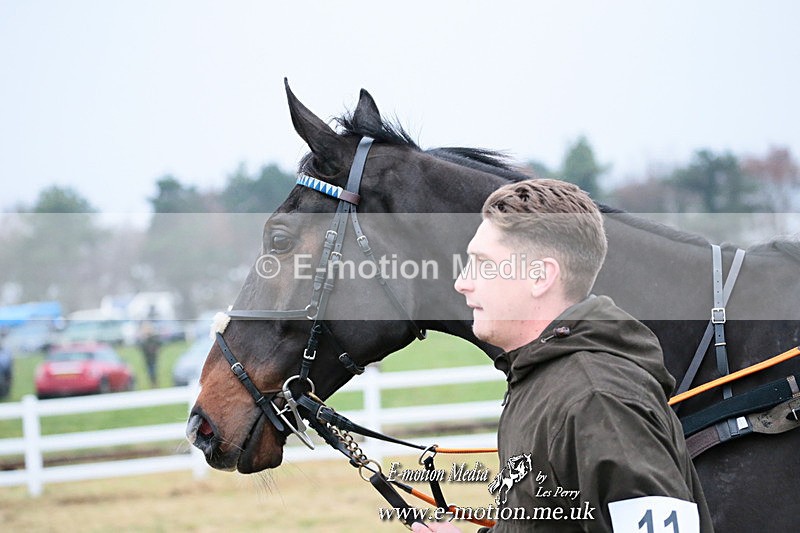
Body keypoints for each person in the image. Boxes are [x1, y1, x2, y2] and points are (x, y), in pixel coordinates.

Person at [414, 179, 712, 532]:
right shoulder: (539, 379)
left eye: (483, 263)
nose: (463, 282)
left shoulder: (598, 400)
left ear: (540, 277)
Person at [138, 321, 161, 387]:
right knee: (149, 371)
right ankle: (153, 382)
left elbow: (158, 344)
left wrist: (154, 349)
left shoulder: (153, 338)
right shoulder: (144, 339)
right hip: (147, 358)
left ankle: (154, 383)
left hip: (153, 357)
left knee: (152, 370)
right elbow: (141, 347)